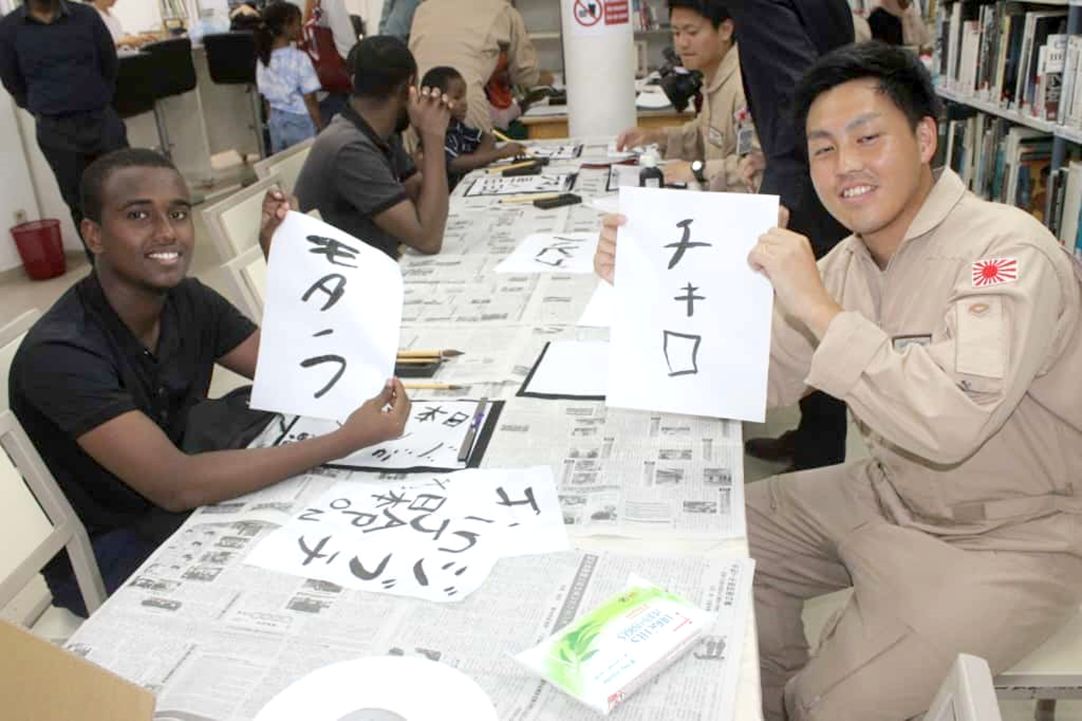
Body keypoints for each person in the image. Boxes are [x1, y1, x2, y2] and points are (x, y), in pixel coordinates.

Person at [597, 42, 1082, 720]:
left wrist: (818, 307)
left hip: (1009, 537)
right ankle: (772, 691)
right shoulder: (854, 259)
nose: (845, 165)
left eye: (867, 137)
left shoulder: (1005, 255)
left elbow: (946, 421)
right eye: (823, 148)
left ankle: (806, 692)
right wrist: (647, 282)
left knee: (825, 705)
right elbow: (756, 378)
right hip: (892, 492)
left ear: (924, 137)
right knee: (722, 537)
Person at [9, 148, 412, 617]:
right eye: (138, 214)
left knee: (359, 534)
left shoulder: (186, 299)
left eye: (178, 213)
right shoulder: (62, 353)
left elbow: (299, 373)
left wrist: (285, 262)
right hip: (116, 547)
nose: (167, 232)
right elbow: (174, 485)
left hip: (190, 502)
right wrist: (344, 440)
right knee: (320, 590)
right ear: (93, 235)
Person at [726, 0, 854, 472]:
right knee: (825, 308)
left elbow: (801, 88)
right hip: (827, 166)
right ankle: (812, 440)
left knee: (811, 317)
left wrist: (781, 183)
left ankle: (818, 464)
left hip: (807, 184)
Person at [295, 36, 451, 260]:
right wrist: (434, 136)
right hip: (343, 282)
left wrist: (425, 135)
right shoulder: (349, 148)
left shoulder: (377, 131)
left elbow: (423, 203)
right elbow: (428, 239)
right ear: (408, 88)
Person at [0, 0, 128, 263]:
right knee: (80, 204)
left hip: (101, 121)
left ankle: (138, 261)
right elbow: (13, 81)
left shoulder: (85, 16)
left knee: (125, 193)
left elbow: (109, 64)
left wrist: (97, 98)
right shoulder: (9, 28)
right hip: (56, 130)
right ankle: (103, 273)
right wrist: (43, 108)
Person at [615, 0, 755, 191]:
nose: (682, 43)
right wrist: (656, 136)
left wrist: (696, 170)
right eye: (676, 33)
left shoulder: (745, 86)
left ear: (725, 30)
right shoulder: (713, 76)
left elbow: (754, 167)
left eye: (692, 32)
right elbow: (704, 134)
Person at [409, 0, 548, 132]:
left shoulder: (423, 9)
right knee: (482, 153)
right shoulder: (502, 9)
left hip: (419, 101)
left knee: (415, 155)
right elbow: (526, 75)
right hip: (466, 99)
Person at [420, 65, 525, 190]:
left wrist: (475, 162)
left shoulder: (457, 127)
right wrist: (499, 154)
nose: (464, 102)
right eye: (457, 98)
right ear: (436, 100)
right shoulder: (435, 133)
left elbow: (487, 138)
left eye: (464, 96)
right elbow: (454, 164)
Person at [255, 1, 324, 153]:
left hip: (275, 122)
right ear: (286, 26)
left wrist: (270, 120)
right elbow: (310, 99)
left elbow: (266, 98)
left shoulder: (262, 60)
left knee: (284, 168)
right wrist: (320, 127)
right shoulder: (299, 58)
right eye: (298, 23)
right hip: (300, 121)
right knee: (305, 167)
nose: (301, 27)